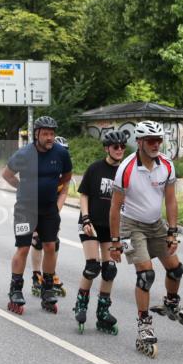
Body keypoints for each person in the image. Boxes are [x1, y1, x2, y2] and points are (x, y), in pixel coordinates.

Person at [109, 121, 183, 358]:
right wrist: (115, 241)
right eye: (151, 140)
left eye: (159, 139)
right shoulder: (126, 168)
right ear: (139, 142)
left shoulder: (166, 165)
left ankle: (171, 302)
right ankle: (144, 324)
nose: (156, 144)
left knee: (176, 269)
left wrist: (172, 231)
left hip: (155, 224)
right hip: (131, 225)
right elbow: (114, 207)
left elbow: (170, 201)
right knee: (146, 275)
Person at [2, 116, 72, 314]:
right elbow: (7, 174)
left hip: (49, 209)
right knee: (23, 248)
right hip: (25, 208)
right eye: (45, 134)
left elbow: (66, 177)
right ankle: (15, 289)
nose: (49, 137)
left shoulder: (60, 153)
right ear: (37, 134)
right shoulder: (24, 154)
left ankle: (48, 288)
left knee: (50, 246)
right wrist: (22, 188)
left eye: (52, 133)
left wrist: (58, 204)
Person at [73, 131, 127, 334]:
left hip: (110, 227)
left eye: (122, 146)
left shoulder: (125, 172)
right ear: (107, 148)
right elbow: (84, 195)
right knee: (92, 266)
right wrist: (85, 218)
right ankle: (81, 304)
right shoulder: (95, 168)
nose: (120, 149)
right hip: (90, 224)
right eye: (115, 146)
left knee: (110, 269)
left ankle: (102, 312)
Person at [30, 136, 69, 298]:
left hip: (51, 210)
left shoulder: (64, 171)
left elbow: (64, 192)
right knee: (37, 240)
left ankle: (50, 274)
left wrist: (54, 213)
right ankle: (36, 276)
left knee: (54, 242)